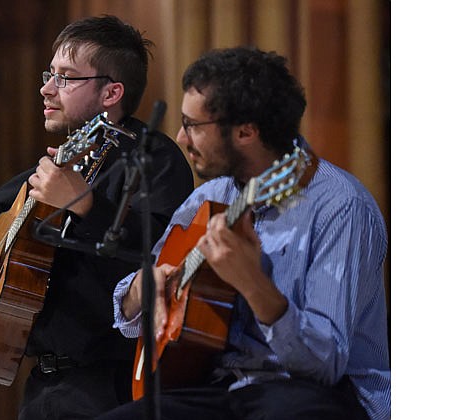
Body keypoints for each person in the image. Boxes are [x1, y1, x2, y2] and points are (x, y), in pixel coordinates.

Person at [98, 47, 390, 420]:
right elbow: (130, 308)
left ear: (246, 132)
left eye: (192, 126)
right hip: (223, 388)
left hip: (324, 395)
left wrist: (253, 282)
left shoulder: (340, 206)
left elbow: (324, 366)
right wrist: (143, 288)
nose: (180, 139)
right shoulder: (210, 197)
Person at [0, 15, 195, 420]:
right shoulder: (66, 159)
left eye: (65, 77)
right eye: (50, 74)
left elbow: (164, 255)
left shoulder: (153, 158)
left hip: (115, 385)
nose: (46, 88)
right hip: (43, 387)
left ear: (111, 92)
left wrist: (86, 207)